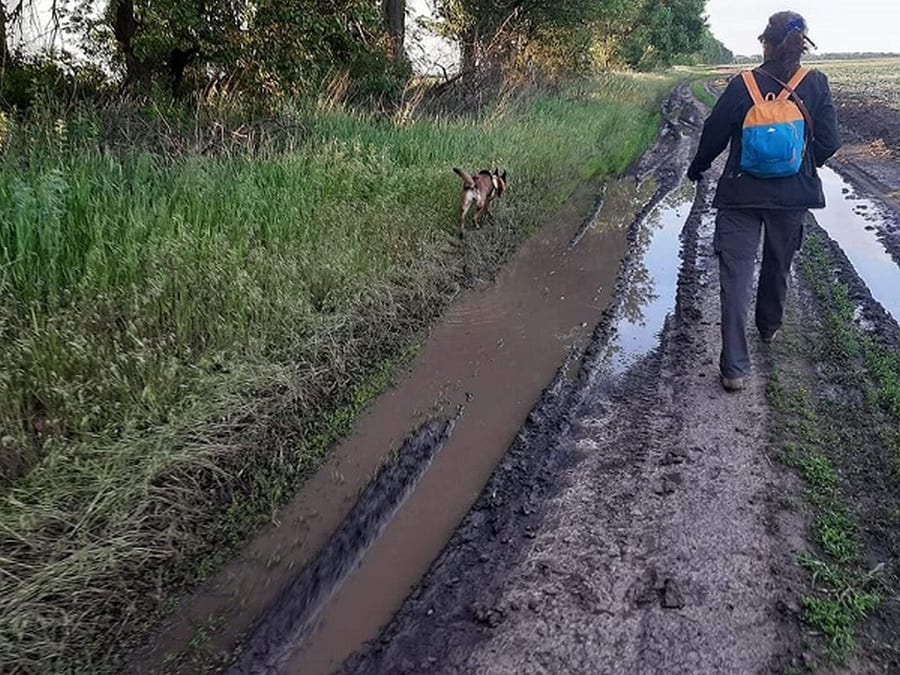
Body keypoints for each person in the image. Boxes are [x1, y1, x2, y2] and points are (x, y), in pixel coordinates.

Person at [687, 11, 841, 391]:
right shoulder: (816, 83)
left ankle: (735, 369)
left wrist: (699, 166)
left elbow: (715, 132)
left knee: (735, 278)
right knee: (778, 264)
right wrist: (804, 165)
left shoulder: (743, 84)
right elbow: (830, 142)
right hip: (793, 196)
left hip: (741, 193)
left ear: (765, 44)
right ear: (802, 45)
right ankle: (769, 327)